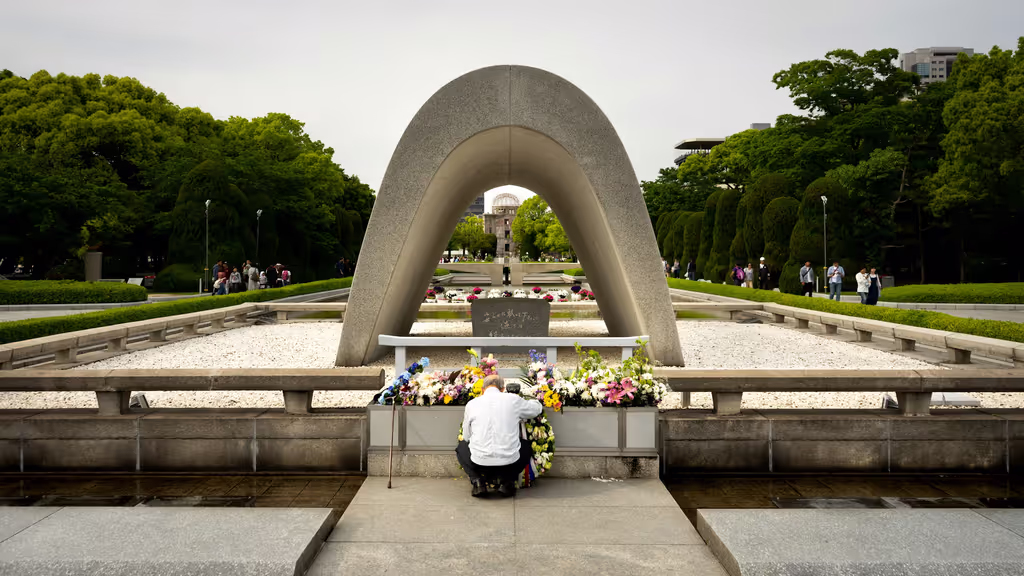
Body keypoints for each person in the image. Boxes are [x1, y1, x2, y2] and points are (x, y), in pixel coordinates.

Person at [455, 374, 542, 497]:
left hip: (479, 463)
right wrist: (534, 400)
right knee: (526, 447)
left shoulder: (472, 404)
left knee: (462, 447)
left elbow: (467, 436)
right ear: (502, 389)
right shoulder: (513, 400)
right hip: (509, 464)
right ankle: (507, 482)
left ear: (482, 390)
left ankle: (478, 482)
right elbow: (535, 410)